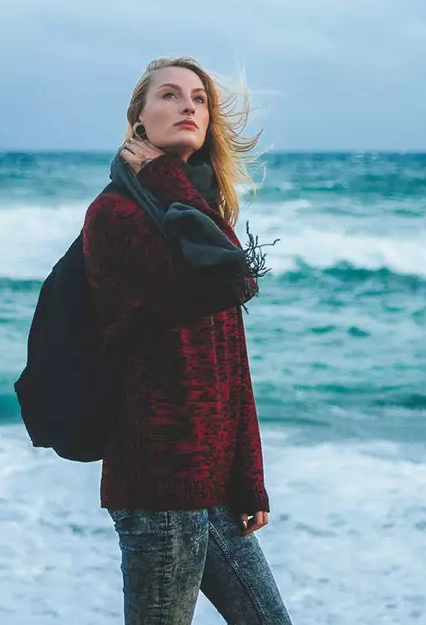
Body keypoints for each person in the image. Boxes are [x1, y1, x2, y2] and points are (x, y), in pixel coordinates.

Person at [83, 56, 293, 625]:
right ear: (138, 122)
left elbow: (230, 362)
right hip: (157, 482)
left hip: (214, 485)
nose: (189, 107)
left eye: (199, 100)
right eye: (171, 96)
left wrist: (249, 479)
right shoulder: (115, 215)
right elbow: (227, 280)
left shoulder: (204, 219)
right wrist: (158, 177)